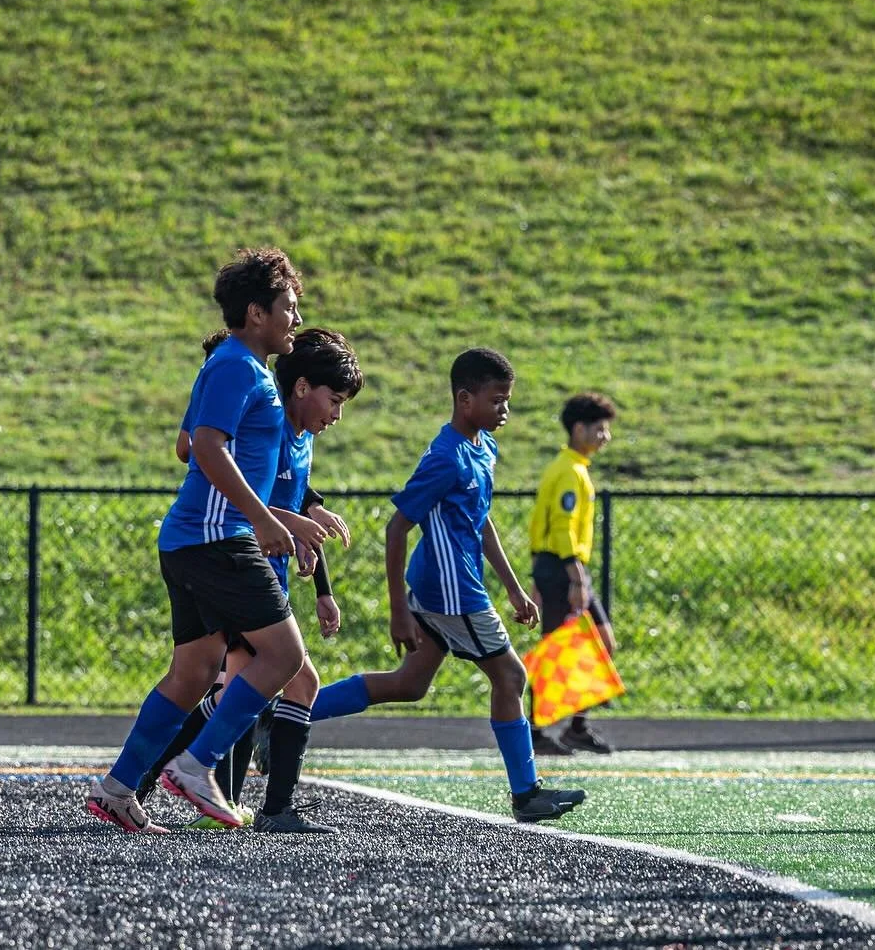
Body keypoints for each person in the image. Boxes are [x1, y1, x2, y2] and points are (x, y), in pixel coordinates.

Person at [84, 247, 328, 833]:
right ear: (255, 313)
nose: (295, 318)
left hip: (196, 536)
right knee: (285, 657)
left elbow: (197, 452)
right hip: (219, 540)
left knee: (194, 672)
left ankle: (119, 787)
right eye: (288, 308)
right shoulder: (235, 366)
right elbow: (208, 448)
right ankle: (197, 766)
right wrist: (263, 521)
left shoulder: (236, 366)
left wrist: (280, 515)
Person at [308, 348, 586, 823]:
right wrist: (398, 611)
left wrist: (514, 587)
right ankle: (526, 793)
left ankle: (288, 713)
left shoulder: (483, 448)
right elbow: (398, 528)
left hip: (446, 588)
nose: (505, 411)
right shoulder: (446, 457)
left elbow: (479, 523)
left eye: (507, 401)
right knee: (511, 677)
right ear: (464, 400)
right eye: (497, 401)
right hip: (452, 593)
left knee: (409, 684)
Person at [136, 328, 363, 833]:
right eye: (335, 401)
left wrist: (321, 583)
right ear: (302, 387)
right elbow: (232, 489)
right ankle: (256, 803)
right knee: (287, 681)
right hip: (234, 569)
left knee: (233, 690)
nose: (337, 415)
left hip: (265, 573)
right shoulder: (270, 423)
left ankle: (159, 783)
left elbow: (293, 504)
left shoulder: (299, 438)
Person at [527, 392, 620, 755]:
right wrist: (575, 578)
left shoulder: (573, 468)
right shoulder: (568, 471)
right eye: (599, 429)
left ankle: (577, 726)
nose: (605, 437)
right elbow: (561, 528)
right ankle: (534, 730)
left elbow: (542, 523)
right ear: (578, 429)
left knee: (601, 641)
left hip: (561, 566)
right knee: (554, 649)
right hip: (564, 568)